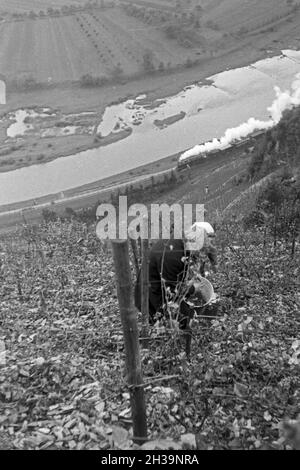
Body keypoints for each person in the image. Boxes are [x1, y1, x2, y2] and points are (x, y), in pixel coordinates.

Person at [134, 222, 217, 327]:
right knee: (187, 321)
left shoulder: (180, 243)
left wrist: (191, 278)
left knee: (188, 316)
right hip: (151, 298)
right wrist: (192, 289)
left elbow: (178, 273)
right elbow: (171, 293)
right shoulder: (173, 255)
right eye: (200, 249)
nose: (199, 253)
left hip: (158, 289)